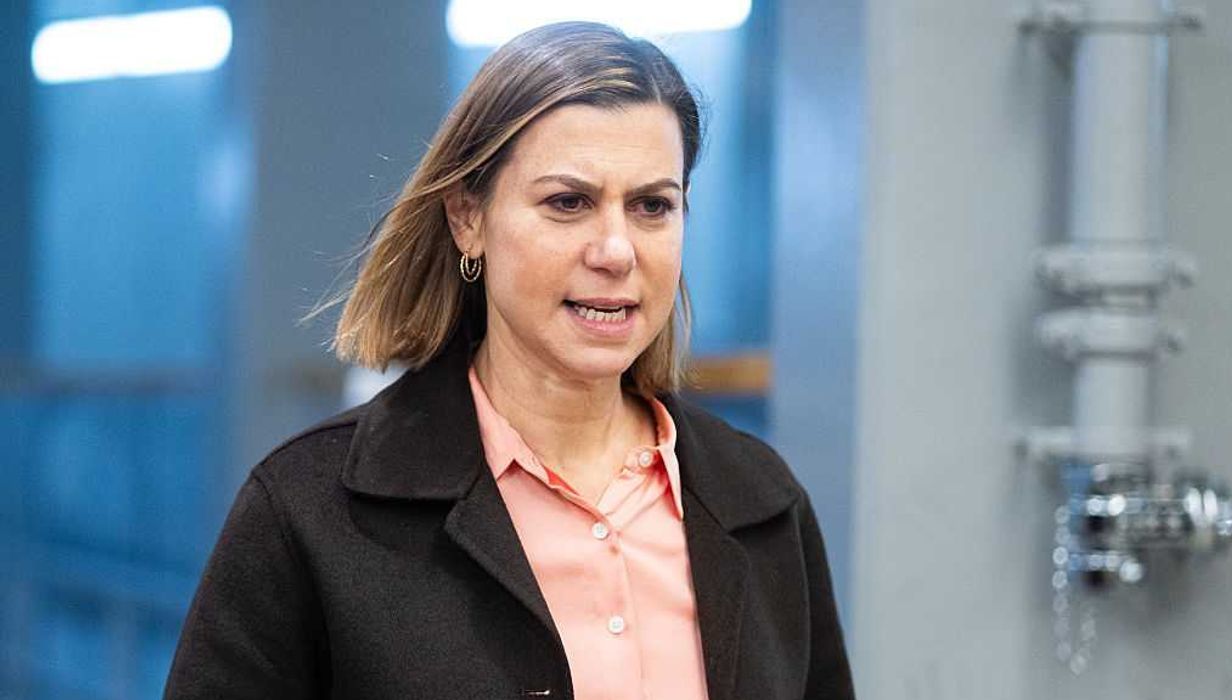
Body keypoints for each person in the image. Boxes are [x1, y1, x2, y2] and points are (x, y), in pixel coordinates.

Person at [164, 21, 854, 700]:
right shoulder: (309, 511)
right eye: (568, 202)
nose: (616, 251)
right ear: (468, 218)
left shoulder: (762, 502)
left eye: (651, 206)